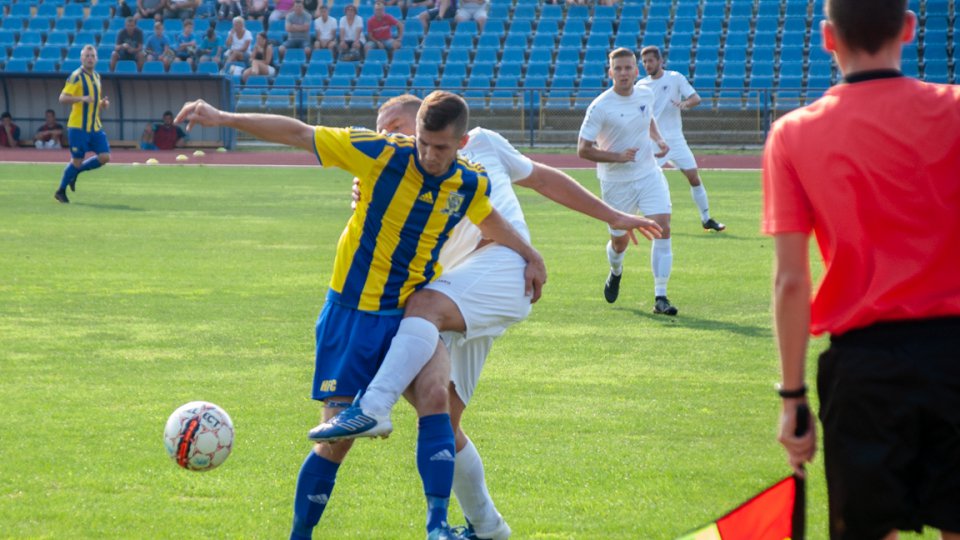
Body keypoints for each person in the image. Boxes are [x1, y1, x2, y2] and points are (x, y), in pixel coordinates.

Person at [174, 91, 545, 540]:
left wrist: (530, 255)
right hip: (349, 316)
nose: (429, 154)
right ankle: (300, 535)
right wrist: (223, 116)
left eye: (441, 147)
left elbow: (489, 221)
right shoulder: (379, 153)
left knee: (435, 399)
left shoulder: (470, 182)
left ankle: (436, 526)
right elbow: (299, 132)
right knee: (335, 442)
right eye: (423, 142)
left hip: (408, 314)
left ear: (462, 143)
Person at [311, 94, 663, 539]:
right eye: (380, 130)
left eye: (393, 126)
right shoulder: (393, 170)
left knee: (421, 312)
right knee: (443, 419)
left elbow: (545, 180)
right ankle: (489, 528)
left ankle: (373, 410)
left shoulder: (481, 145)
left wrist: (611, 217)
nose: (384, 137)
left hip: (499, 269)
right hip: (458, 292)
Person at [762, 1, 960, 538]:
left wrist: (793, 397)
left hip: (865, 369)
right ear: (910, 28)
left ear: (828, 38)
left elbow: (791, 281)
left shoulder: (792, 134)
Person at [577, 48, 676, 316]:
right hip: (615, 182)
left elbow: (648, 117)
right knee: (619, 244)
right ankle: (615, 270)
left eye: (628, 68)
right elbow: (583, 149)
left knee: (662, 226)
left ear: (636, 70)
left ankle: (661, 296)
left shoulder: (645, 93)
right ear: (610, 72)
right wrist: (617, 157)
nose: (623, 73)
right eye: (617, 68)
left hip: (648, 174)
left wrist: (658, 139)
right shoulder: (600, 106)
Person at [637, 45, 726, 232]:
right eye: (644, 62)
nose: (647, 65)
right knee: (645, 180)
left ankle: (706, 218)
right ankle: (633, 220)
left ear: (660, 61)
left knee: (693, 176)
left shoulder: (675, 78)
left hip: (676, 140)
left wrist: (685, 103)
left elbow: (696, 98)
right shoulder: (641, 86)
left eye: (650, 61)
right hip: (654, 141)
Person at [55, 45, 111, 204]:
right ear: (81, 58)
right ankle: (60, 191)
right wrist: (81, 99)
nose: (90, 58)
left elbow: (92, 102)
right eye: (87, 56)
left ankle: (76, 173)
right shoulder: (76, 76)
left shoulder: (97, 77)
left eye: (92, 56)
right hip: (78, 127)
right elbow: (62, 98)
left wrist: (102, 104)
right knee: (77, 160)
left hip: (95, 126)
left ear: (97, 58)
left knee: (105, 157)